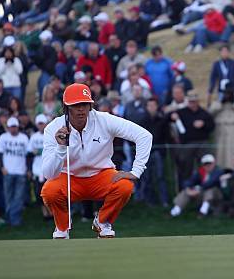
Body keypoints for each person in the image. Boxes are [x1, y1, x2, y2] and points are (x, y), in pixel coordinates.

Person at [40, 83, 152, 239]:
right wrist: (60, 148)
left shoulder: (104, 120)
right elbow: (48, 174)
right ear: (66, 107)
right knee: (49, 191)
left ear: (91, 105)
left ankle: (102, 222)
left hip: (101, 174)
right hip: (69, 177)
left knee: (125, 186)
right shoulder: (53, 128)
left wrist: (136, 171)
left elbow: (144, 136)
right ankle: (62, 227)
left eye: (85, 104)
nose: (81, 109)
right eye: (76, 105)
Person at [0, 117, 29, 226]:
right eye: (11, 127)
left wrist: (27, 169)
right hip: (8, 171)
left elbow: (28, 155)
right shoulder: (3, 137)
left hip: (21, 172)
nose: (13, 129)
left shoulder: (24, 138)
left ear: (17, 127)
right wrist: (2, 168)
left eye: (14, 126)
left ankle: (14, 219)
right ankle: (11, 219)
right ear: (8, 127)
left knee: (18, 198)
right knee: (8, 197)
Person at [208, 88, 234, 169]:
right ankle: (220, 172)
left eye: (229, 94)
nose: (227, 96)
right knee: (221, 155)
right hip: (221, 132)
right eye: (225, 94)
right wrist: (220, 101)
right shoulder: (218, 104)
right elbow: (210, 112)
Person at [28, 114, 51, 220]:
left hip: (48, 168)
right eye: (39, 124)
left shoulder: (50, 134)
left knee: (49, 192)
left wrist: (40, 151)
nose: (41, 126)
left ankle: (51, 212)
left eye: (43, 123)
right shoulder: (34, 137)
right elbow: (29, 152)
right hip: (37, 169)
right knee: (39, 193)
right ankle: (45, 213)